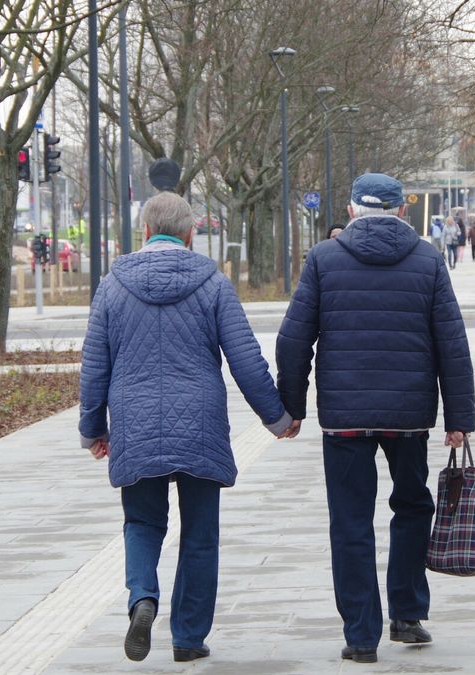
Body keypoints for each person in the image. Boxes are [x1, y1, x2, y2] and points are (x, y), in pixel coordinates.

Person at [79, 192, 294, 664]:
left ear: (144, 231)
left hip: (134, 422)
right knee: (200, 533)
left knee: (142, 521)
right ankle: (189, 637)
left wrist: (93, 428)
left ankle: (143, 598)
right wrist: (276, 418)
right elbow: (244, 358)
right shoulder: (213, 284)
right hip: (199, 423)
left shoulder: (112, 286)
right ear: (191, 233)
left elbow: (94, 366)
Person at [276, 173, 475, 664]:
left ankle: (361, 636)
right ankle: (406, 615)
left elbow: (294, 339)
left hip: (344, 418)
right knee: (411, 507)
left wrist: (292, 408)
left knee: (350, 521)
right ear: (401, 211)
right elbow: (452, 344)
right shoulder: (428, 260)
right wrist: (459, 418)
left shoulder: (324, 259)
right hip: (408, 415)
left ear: (350, 211)